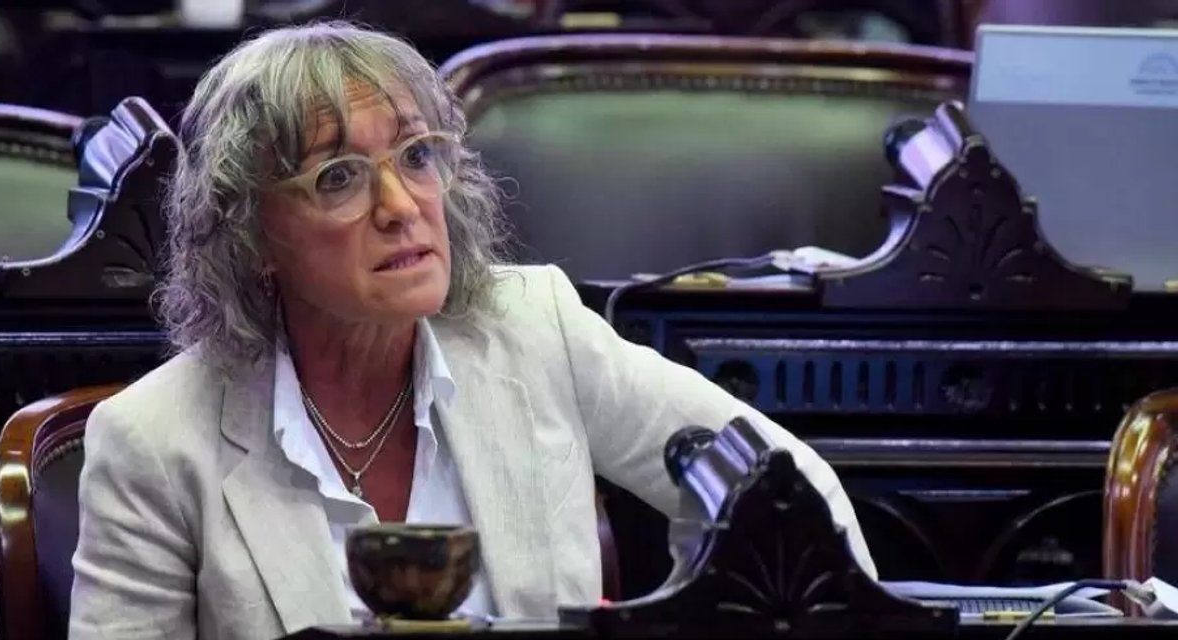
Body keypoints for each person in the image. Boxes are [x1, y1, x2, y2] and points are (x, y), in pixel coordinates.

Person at [68, 20, 877, 640]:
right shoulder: (153, 442)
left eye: (418, 156)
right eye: (339, 177)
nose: (400, 206)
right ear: (252, 235)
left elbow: (783, 493)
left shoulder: (538, 328)